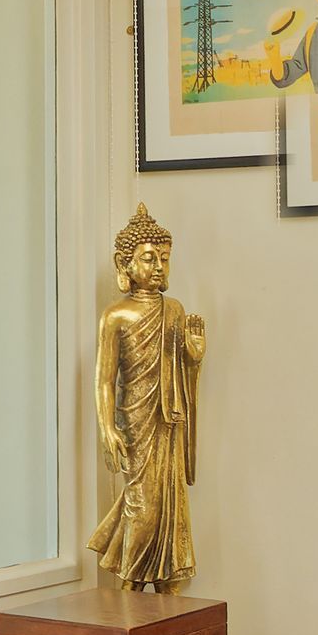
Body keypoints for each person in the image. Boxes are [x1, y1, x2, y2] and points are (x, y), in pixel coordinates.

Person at [88, 203, 204, 594]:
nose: (158, 267)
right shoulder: (116, 316)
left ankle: (167, 581)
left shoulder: (174, 311)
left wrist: (194, 358)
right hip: (136, 422)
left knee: (172, 509)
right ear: (125, 265)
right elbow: (104, 380)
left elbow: (181, 368)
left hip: (168, 422)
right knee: (143, 505)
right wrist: (107, 429)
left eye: (164, 260)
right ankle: (128, 590)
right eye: (149, 258)